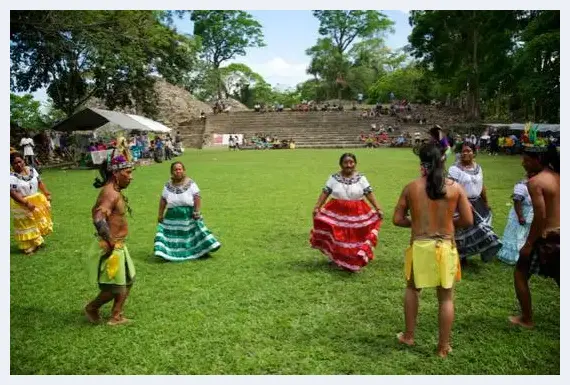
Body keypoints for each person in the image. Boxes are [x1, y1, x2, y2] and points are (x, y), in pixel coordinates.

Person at [393, 143, 473, 358]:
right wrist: (447, 223)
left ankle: (409, 336)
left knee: (412, 289)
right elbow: (467, 219)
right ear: (443, 161)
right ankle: (443, 347)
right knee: (446, 298)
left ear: (422, 163)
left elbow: (397, 219)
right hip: (445, 245)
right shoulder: (455, 188)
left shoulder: (411, 187)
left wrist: (417, 222)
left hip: (420, 245)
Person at [509, 145, 559, 328]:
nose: (523, 163)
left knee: (520, 272)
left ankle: (527, 319)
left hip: (549, 237)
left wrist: (529, 244)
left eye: (526, 159)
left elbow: (541, 216)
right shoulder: (559, 176)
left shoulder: (536, 182)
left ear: (538, 160)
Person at [310, 153, 383, 272]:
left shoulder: (361, 178)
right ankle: (336, 258)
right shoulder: (333, 178)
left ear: (355, 163)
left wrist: (378, 208)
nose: (349, 165)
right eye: (346, 162)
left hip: (358, 210)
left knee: (355, 235)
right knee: (338, 235)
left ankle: (354, 259)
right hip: (336, 210)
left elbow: (368, 193)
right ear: (341, 164)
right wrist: (317, 206)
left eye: (351, 162)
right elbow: (325, 192)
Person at [85, 153, 135, 326]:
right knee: (115, 287)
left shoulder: (115, 191)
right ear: (116, 174)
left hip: (119, 245)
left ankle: (116, 315)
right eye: (128, 173)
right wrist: (111, 242)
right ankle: (92, 307)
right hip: (111, 246)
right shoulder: (110, 193)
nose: (131, 177)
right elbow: (98, 218)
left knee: (128, 280)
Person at [154, 162, 221, 261]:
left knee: (191, 234)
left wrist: (197, 211)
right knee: (173, 236)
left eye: (180, 169)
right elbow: (163, 200)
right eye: (175, 169)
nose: (178, 171)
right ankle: (171, 254)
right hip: (172, 215)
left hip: (188, 213)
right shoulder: (167, 185)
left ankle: (197, 252)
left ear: (184, 170)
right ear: (172, 172)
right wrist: (160, 214)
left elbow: (197, 197)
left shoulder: (190, 183)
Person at [448, 143, 502, 264]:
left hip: (478, 202)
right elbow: (452, 188)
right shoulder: (454, 169)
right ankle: (461, 257)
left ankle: (479, 252)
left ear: (474, 153)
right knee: (462, 232)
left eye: (468, 151)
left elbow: (482, 186)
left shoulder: (478, 168)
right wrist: (465, 203)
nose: (465, 153)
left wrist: (486, 202)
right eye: (463, 151)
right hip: (461, 203)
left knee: (481, 230)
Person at [10, 152, 53, 254]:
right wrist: (26, 203)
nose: (19, 165)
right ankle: (28, 246)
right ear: (11, 165)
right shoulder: (11, 177)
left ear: (23, 160)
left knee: (37, 221)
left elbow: (39, 182)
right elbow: (12, 193)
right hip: (21, 202)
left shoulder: (32, 170)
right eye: (15, 163)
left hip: (36, 200)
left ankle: (37, 241)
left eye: (20, 161)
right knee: (26, 223)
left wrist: (47, 193)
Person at [497, 173, 535, 265]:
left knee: (525, 234)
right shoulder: (521, 185)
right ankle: (512, 257)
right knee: (516, 234)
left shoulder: (535, 185)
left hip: (530, 214)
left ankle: (525, 255)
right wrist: (520, 216)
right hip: (520, 214)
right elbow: (517, 201)